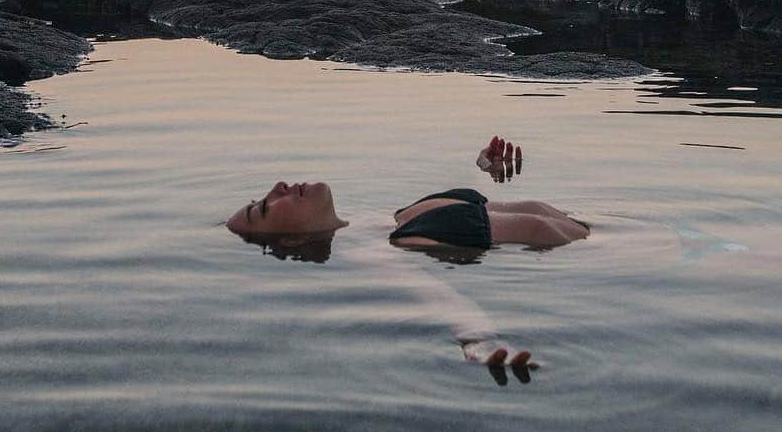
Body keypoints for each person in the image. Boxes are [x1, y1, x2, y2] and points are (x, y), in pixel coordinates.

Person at [225, 135, 590, 380]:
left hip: (603, 227)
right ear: (288, 242)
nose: (277, 188)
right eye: (264, 208)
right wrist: (478, 342)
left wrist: (488, 168)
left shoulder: (383, 220)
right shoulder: (375, 252)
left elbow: (506, 209)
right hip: (601, 260)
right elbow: (439, 298)